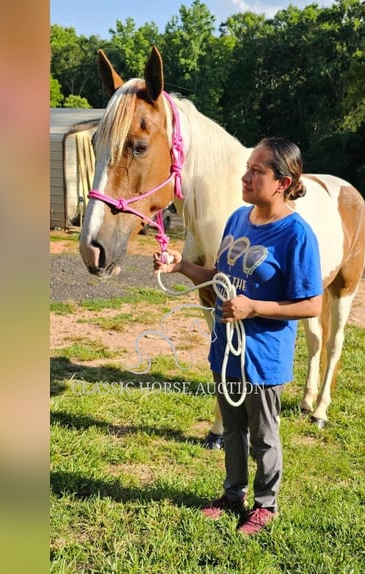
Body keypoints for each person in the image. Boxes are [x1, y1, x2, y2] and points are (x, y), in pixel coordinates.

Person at [153, 137, 323, 535]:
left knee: (263, 437)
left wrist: (254, 307)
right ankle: (233, 496)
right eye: (247, 167)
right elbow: (220, 276)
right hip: (226, 350)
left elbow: (312, 304)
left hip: (262, 356)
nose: (245, 177)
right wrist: (181, 267)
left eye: (257, 170)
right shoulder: (237, 219)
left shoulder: (296, 235)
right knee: (232, 430)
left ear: (283, 181)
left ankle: (266, 505)